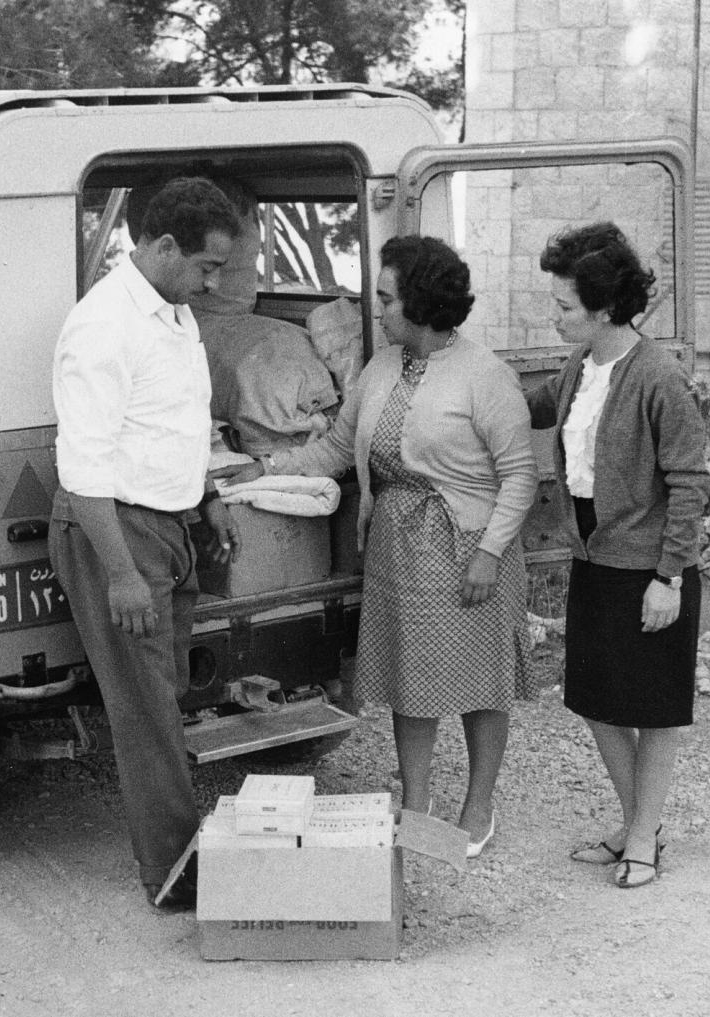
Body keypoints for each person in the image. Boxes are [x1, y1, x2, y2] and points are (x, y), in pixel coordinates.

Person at [224, 235, 538, 856]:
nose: (379, 309)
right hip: (398, 546)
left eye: (388, 297)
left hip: (469, 545)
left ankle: (479, 805)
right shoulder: (382, 367)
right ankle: (415, 804)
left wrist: (489, 553)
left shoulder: (485, 376)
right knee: (409, 679)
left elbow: (520, 476)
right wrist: (266, 467)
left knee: (482, 681)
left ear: (421, 303)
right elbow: (338, 449)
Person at [48, 176, 242, 906]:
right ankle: (175, 873)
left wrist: (209, 495)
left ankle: (179, 849)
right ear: (163, 247)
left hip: (167, 523)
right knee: (146, 706)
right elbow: (86, 463)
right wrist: (121, 572)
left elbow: (175, 419)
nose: (214, 280)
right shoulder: (104, 326)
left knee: (166, 693)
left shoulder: (171, 307)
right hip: (116, 529)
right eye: (207, 266)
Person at [527, 222, 709, 889]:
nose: (554, 316)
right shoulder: (582, 364)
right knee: (598, 698)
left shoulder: (660, 377)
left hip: (651, 569)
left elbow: (692, 480)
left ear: (603, 310)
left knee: (654, 706)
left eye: (564, 307)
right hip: (595, 559)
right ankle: (641, 825)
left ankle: (639, 834)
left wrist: (669, 578)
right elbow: (535, 404)